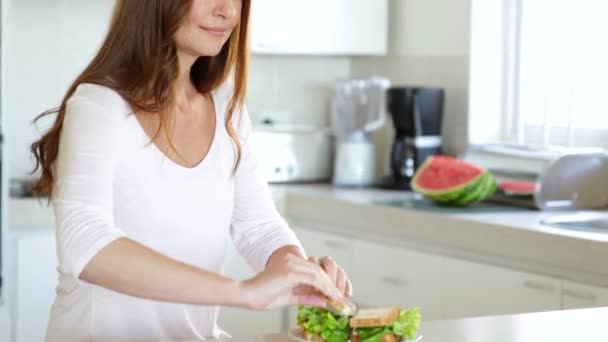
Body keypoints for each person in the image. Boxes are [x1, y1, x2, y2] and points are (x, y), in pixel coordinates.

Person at [30, 0, 352, 340]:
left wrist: (296, 270)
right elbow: (86, 244)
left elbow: (258, 226)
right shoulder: (99, 105)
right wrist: (243, 291)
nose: (229, 11)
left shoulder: (226, 106)